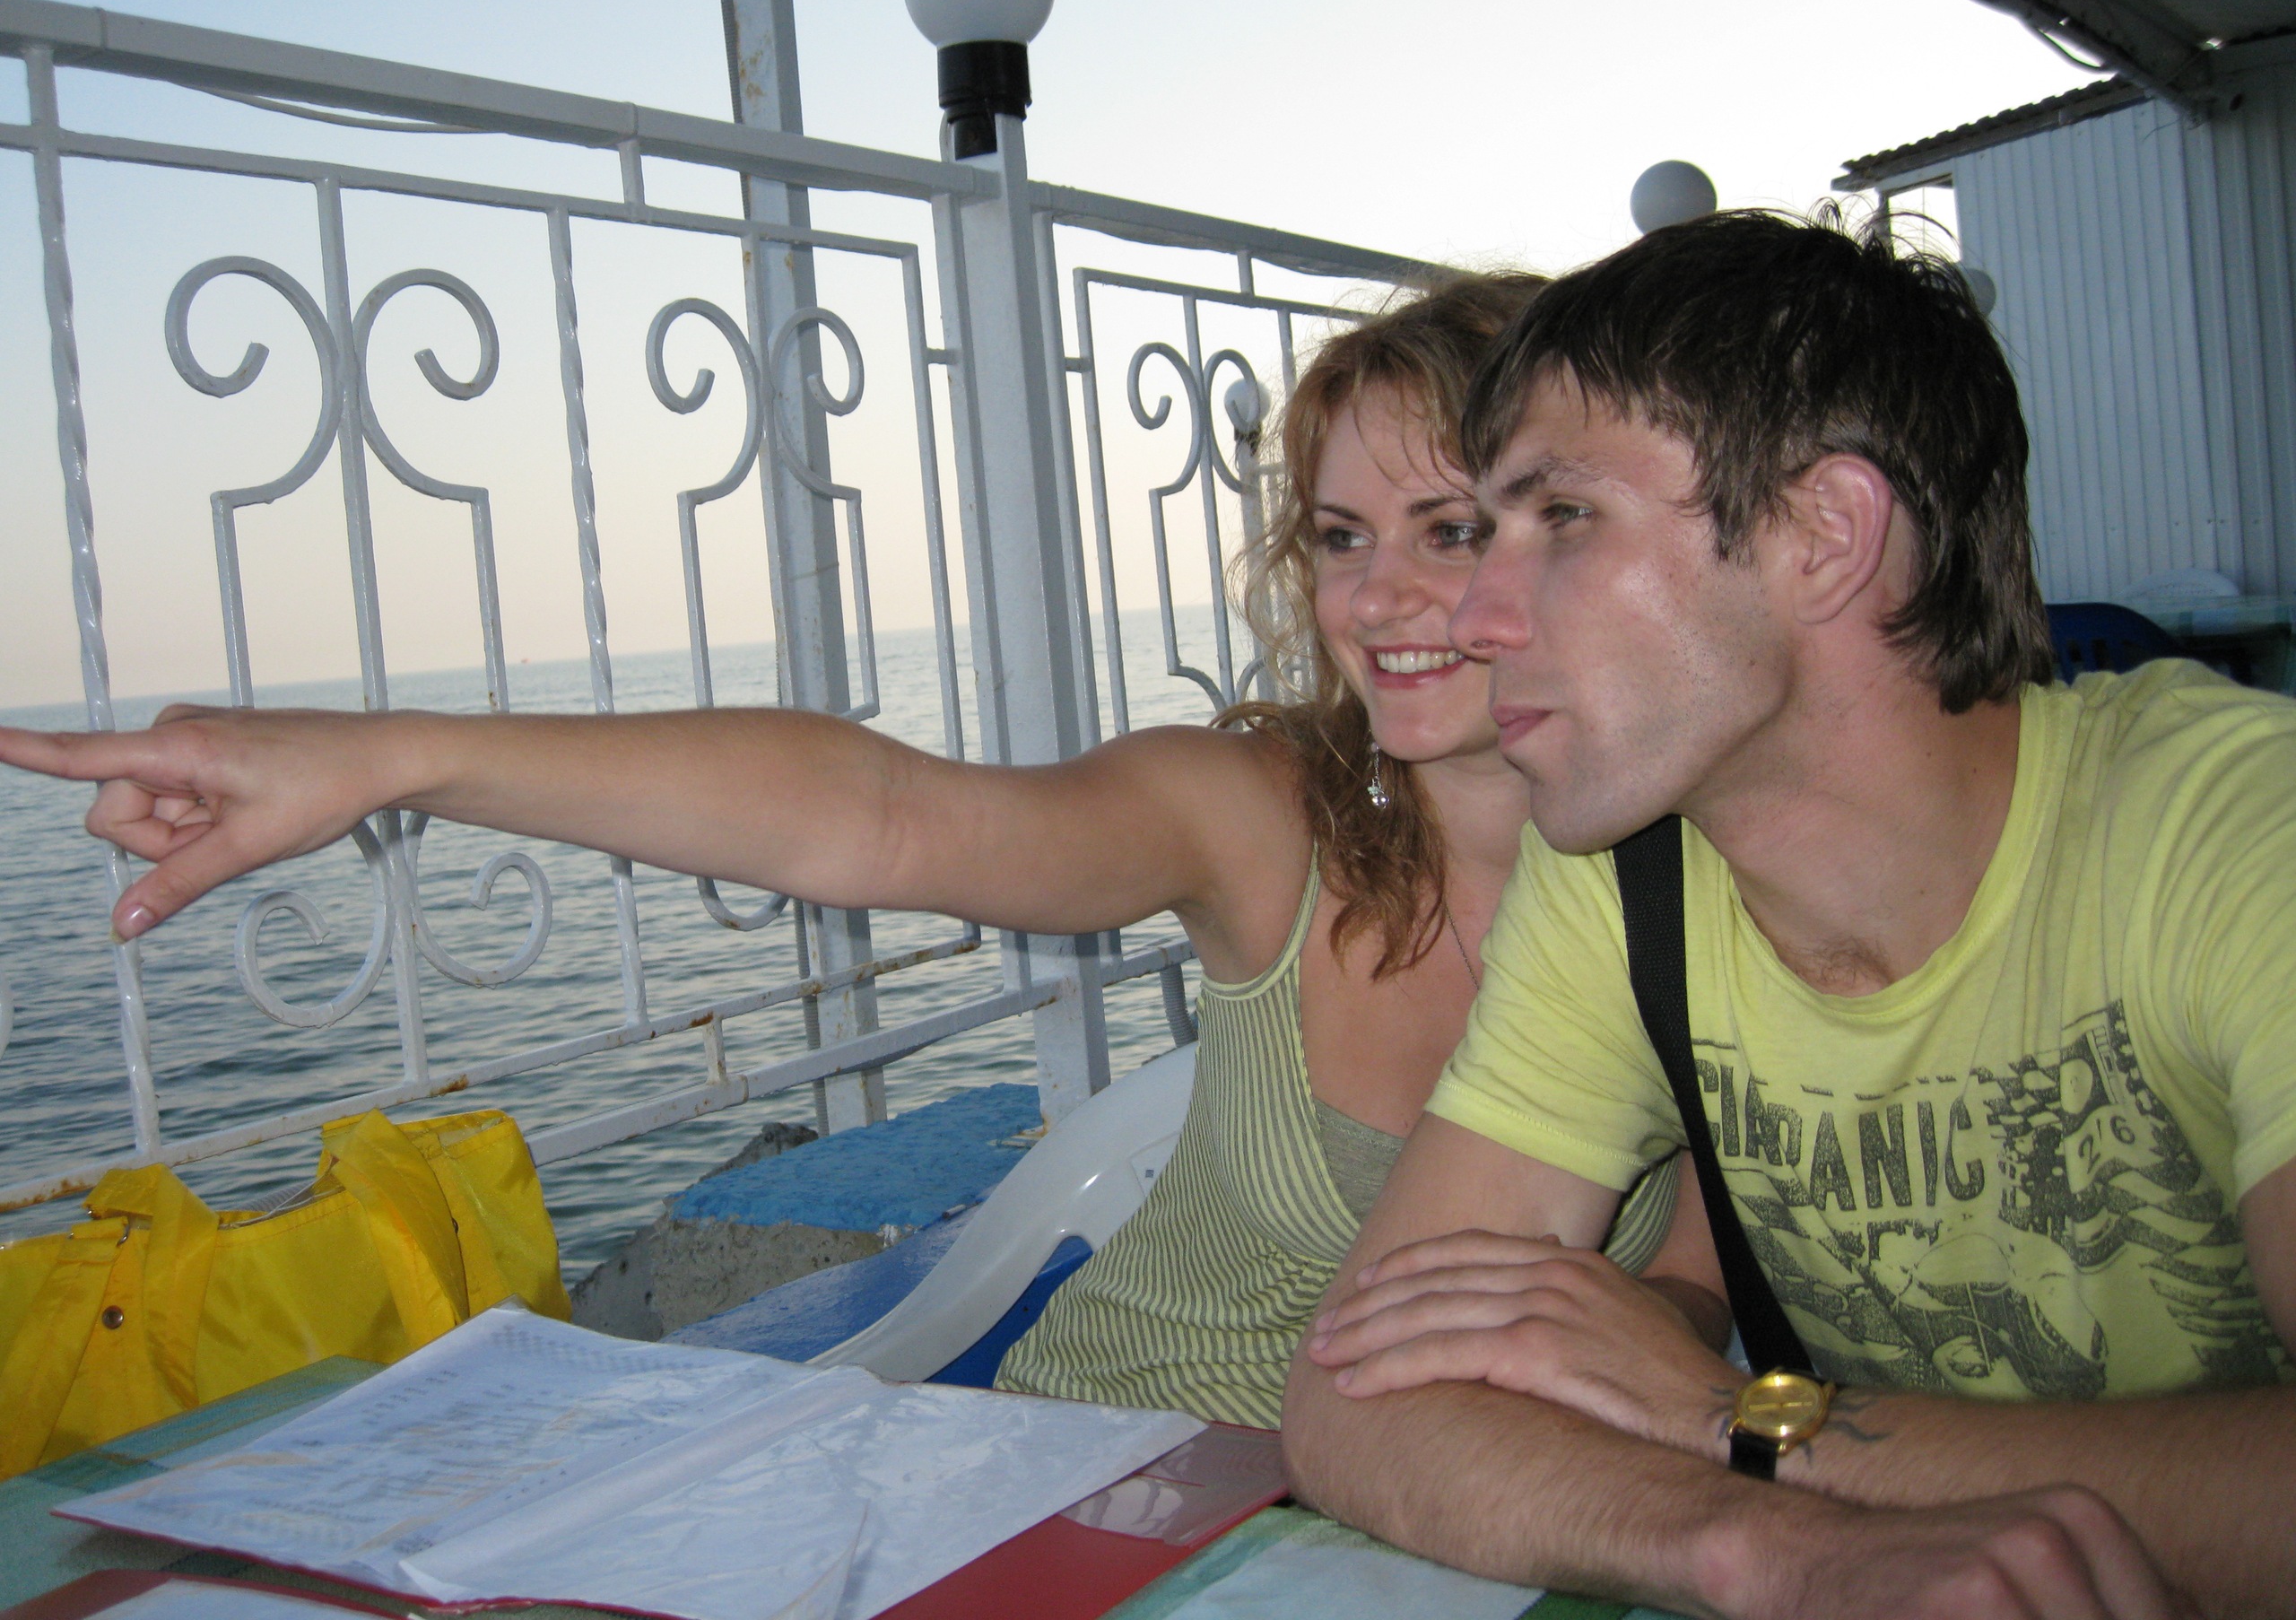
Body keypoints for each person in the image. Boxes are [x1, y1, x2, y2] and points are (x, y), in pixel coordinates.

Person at [0, 273, 1716, 1435]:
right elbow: (883, 816)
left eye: (1449, 528)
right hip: (1100, 1475)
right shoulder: (1263, 820)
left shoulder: (1702, 881)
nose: (1383, 595)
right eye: (1340, 536)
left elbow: (1708, 1276)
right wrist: (389, 759)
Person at [1282, 209, 2296, 1620]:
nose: (1477, 616)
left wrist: (1749, 1422)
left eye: (1560, 517)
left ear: (1824, 534)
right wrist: (1768, 1550)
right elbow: (1355, 1399)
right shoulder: (1626, 870)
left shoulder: (2234, 832)